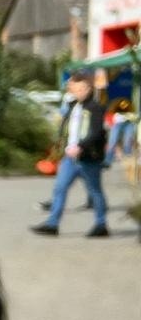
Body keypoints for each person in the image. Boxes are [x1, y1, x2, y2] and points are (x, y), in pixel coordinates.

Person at [32, 67, 109, 238]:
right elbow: (67, 128)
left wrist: (81, 146)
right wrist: (62, 144)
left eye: (83, 89)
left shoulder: (95, 107)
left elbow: (96, 132)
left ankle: (101, 224)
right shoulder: (73, 105)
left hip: (89, 158)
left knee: (95, 191)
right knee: (60, 188)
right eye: (76, 88)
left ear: (89, 89)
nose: (79, 92)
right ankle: (52, 224)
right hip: (70, 157)